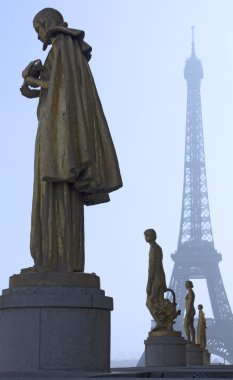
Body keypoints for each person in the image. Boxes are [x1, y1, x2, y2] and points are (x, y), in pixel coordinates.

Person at [20, 8, 122, 272]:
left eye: (37, 29)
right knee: (50, 192)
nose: (38, 36)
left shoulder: (64, 43)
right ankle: (49, 259)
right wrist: (32, 87)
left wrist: (30, 78)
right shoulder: (62, 48)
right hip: (54, 129)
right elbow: (58, 89)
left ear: (46, 24)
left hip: (58, 135)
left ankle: (56, 261)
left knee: (56, 191)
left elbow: (61, 88)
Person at [144, 229, 167, 328]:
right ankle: (164, 323)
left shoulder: (153, 248)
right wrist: (164, 282)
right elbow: (161, 266)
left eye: (148, 235)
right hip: (160, 278)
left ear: (154, 236)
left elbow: (152, 268)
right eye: (145, 235)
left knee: (149, 303)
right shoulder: (158, 248)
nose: (146, 237)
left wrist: (149, 284)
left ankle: (160, 324)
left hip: (155, 280)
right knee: (160, 304)